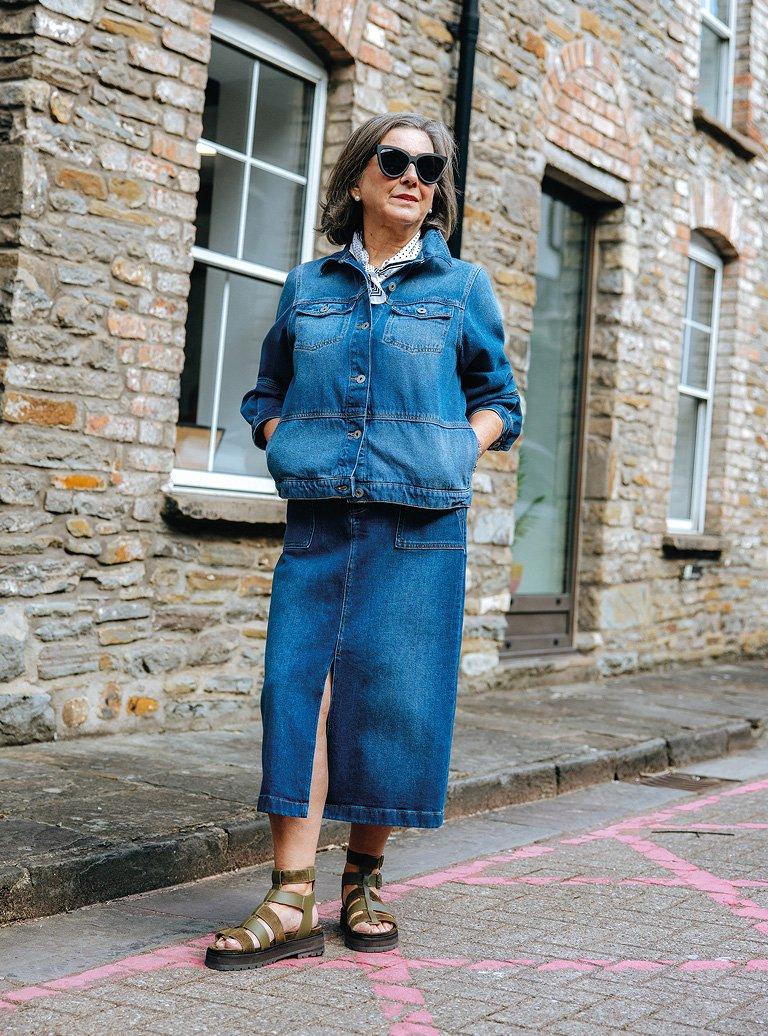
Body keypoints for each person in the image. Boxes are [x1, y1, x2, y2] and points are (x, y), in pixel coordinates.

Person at [205, 112, 524, 972]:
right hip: (319, 523)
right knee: (294, 693)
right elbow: (265, 389)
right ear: (358, 179)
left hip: (419, 527)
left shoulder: (463, 290)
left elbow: (502, 399)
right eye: (394, 160)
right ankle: (289, 897)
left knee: (390, 701)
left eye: (428, 166)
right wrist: (280, 437)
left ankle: (365, 878)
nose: (412, 175)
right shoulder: (307, 285)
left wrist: (461, 443)